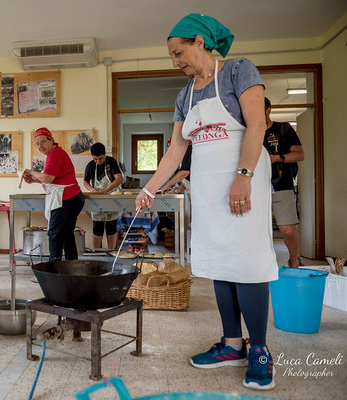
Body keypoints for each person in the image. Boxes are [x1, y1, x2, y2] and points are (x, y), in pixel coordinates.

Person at [135, 13, 278, 391]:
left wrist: (243, 177)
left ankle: (260, 350)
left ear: (200, 42)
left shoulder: (238, 71)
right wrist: (148, 189)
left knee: (246, 261)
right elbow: (174, 153)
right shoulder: (185, 96)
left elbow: (257, 126)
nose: (175, 61)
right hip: (208, 187)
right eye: (171, 56)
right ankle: (233, 344)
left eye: (178, 52)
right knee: (218, 260)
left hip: (242, 180)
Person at [23, 128, 85, 261]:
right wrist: (33, 180)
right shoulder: (56, 153)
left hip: (67, 199)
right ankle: (71, 267)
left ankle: (54, 269)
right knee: (67, 234)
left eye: (43, 142)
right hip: (72, 198)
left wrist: (31, 172)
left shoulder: (55, 153)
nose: (40, 146)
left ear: (51, 141)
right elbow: (54, 179)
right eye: (37, 144)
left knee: (55, 234)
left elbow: (47, 178)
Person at [263, 97, 305, 267]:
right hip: (256, 189)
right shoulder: (248, 132)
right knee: (256, 232)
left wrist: (276, 158)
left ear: (268, 110)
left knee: (287, 230)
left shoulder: (283, 129)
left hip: (281, 186)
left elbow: (300, 155)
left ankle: (294, 260)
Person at [83, 142, 124, 249]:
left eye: (100, 158)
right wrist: (91, 189)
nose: (98, 161)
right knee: (97, 227)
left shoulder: (111, 162)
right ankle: (97, 253)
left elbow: (119, 179)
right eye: (95, 159)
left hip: (111, 197)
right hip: (97, 198)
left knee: (111, 226)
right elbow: (85, 182)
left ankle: (111, 253)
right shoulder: (90, 165)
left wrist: (106, 190)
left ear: (105, 154)